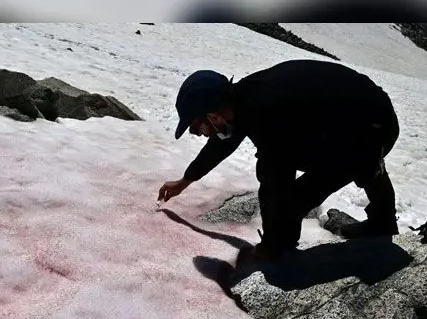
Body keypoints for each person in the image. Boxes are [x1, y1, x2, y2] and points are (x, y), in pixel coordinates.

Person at [158, 59, 400, 261]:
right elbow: (222, 145)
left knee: (291, 191)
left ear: (213, 115)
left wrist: (273, 244)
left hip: (374, 123)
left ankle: (380, 220)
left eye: (196, 127)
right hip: (361, 115)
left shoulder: (267, 114)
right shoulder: (241, 100)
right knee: (322, 158)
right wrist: (184, 181)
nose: (201, 133)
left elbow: (276, 180)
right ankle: (381, 213)